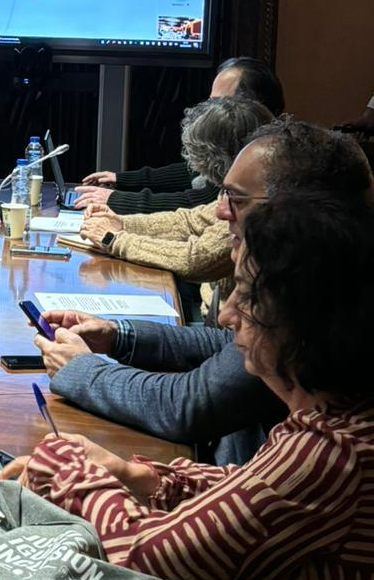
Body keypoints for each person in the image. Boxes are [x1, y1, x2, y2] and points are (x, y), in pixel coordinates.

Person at [2, 194, 374, 579]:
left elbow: (143, 558)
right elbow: (249, 491)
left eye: (246, 294)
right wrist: (140, 476)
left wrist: (64, 469)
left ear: (303, 321)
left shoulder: (332, 453)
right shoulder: (337, 418)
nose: (226, 314)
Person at [38, 120, 373, 465]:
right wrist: (118, 335)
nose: (220, 210)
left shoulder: (310, 294)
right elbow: (225, 343)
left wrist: (82, 370)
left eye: (235, 198)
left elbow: (186, 406)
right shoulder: (315, 272)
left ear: (296, 208)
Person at [78, 96, 273, 317]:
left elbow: (195, 259)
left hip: (219, 326)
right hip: (211, 315)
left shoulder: (259, 204)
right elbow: (189, 220)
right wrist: (121, 222)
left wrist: (113, 239)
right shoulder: (241, 190)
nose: (221, 209)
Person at [76, 56, 284, 212]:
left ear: (253, 106)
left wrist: (115, 201)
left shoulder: (260, 161)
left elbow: (198, 204)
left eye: (218, 102)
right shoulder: (245, 144)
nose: (208, 109)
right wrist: (121, 180)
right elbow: (193, 173)